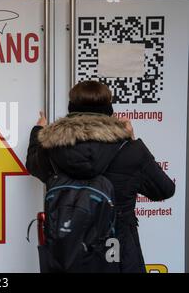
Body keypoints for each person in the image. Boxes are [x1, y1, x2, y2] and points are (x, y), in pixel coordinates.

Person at [26, 80, 175, 273]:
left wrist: (38, 132)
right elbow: (164, 190)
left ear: (71, 109)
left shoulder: (51, 149)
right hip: (119, 256)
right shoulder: (131, 150)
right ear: (109, 110)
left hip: (68, 256)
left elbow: (33, 165)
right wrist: (132, 140)